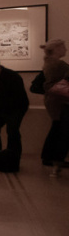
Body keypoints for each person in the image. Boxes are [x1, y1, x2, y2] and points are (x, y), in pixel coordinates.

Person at [40, 39, 69, 177]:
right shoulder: (58, 64)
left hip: (54, 101)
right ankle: (56, 160)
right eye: (63, 46)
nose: (66, 49)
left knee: (57, 130)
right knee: (61, 132)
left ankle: (50, 158)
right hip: (60, 102)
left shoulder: (49, 63)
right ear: (56, 48)